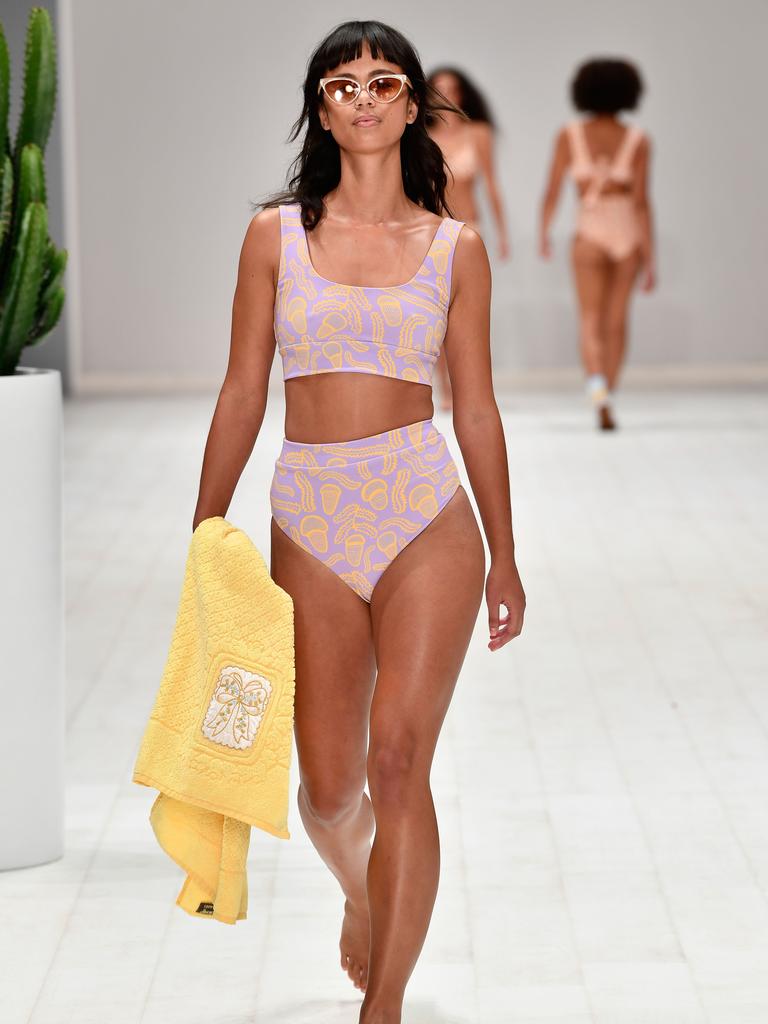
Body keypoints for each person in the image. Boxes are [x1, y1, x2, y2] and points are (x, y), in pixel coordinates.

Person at [191, 19, 525, 1024]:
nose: (365, 98)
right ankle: (363, 888)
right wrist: (206, 527)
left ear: (412, 103)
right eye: (343, 86)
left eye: (385, 82)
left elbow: (475, 404)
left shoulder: (454, 248)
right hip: (311, 509)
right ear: (322, 109)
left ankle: (383, 1004)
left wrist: (506, 553)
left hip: (425, 508)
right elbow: (245, 386)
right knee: (329, 790)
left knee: (398, 758)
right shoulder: (273, 237)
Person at [539, 58, 657, 430]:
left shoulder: (569, 135)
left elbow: (554, 189)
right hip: (627, 233)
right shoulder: (637, 139)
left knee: (590, 319)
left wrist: (544, 231)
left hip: (588, 231)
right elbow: (640, 202)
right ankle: (609, 393)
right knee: (617, 320)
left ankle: (598, 393)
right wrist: (651, 256)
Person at [426, 66, 511, 411]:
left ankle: (465, 388)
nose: (447, 94)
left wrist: (503, 233)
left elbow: (491, 183)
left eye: (453, 88)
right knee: (435, 314)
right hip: (430, 231)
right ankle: (444, 388)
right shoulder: (420, 136)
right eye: (439, 88)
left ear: (463, 94)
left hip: (470, 230)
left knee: (464, 313)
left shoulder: (479, 134)